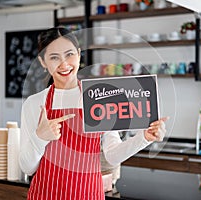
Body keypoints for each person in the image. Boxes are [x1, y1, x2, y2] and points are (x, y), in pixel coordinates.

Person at [19, 27, 168, 200]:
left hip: (89, 194)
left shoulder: (98, 98)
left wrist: (144, 138)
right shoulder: (34, 103)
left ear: (79, 54)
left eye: (69, 54)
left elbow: (112, 155)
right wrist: (40, 137)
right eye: (54, 57)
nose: (64, 64)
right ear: (43, 62)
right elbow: (27, 168)